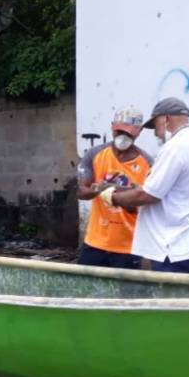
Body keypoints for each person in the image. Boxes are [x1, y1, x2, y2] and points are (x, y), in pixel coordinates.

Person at [100, 97, 189, 273]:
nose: (156, 134)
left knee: (167, 299)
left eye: (156, 127)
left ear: (166, 119)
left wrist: (110, 196)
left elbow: (149, 195)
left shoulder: (175, 147)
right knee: (180, 298)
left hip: (172, 247)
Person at [76, 107, 153, 269]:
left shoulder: (147, 163)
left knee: (124, 293)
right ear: (112, 127)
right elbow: (82, 192)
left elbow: (148, 201)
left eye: (129, 133)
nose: (123, 137)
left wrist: (125, 197)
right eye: (119, 132)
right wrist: (101, 189)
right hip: (95, 243)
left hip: (128, 246)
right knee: (86, 290)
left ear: (139, 132)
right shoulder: (95, 154)